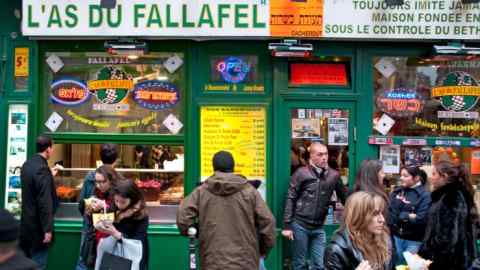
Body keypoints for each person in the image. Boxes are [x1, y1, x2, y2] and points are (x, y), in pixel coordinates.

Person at [177, 150, 276, 270]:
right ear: (233, 167)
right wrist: (263, 250)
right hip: (245, 261)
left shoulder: (201, 191)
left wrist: (198, 231)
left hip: (212, 260)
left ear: (214, 168)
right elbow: (268, 222)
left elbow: (183, 219)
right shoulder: (250, 192)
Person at [282, 142, 347, 270]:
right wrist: (287, 225)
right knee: (299, 264)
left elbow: (346, 199)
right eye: (320, 154)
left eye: (326, 154)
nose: (324, 157)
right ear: (311, 156)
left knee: (319, 264)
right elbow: (291, 197)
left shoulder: (334, 175)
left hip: (318, 226)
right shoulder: (301, 173)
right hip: (300, 224)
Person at [418, 160, 479, 270]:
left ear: (444, 177)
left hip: (450, 262)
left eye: (434, 174)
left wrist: (429, 256)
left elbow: (447, 237)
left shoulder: (450, 198)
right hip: (458, 260)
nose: (430, 177)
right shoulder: (457, 194)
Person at [76, 143, 119, 270]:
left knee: (83, 262)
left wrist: (88, 210)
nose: (99, 185)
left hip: (90, 230)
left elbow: (81, 205)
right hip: (107, 231)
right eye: (97, 182)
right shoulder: (117, 179)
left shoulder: (90, 176)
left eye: (102, 182)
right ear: (116, 159)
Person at [19, 135, 59, 270]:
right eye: (51, 148)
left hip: (26, 227)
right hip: (38, 229)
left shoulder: (27, 165)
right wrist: (47, 229)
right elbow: (44, 202)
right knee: (38, 265)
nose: (52, 151)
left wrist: (49, 176)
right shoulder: (42, 169)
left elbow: (33, 188)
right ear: (48, 149)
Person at [324, 191, 391, 270]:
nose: (382, 219)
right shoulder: (336, 250)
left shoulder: (383, 240)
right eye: (375, 214)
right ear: (359, 216)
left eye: (382, 213)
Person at [97, 179, 149, 270]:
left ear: (133, 199)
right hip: (113, 253)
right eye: (116, 200)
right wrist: (99, 218)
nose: (119, 205)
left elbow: (138, 242)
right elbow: (107, 219)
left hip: (132, 256)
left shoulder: (141, 215)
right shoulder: (114, 206)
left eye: (123, 202)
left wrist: (115, 233)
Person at [387, 166, 431, 266]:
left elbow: (422, 218)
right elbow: (390, 211)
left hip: (413, 240)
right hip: (395, 237)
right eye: (401, 175)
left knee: (409, 266)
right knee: (396, 266)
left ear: (416, 178)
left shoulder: (425, 195)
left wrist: (403, 215)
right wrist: (410, 215)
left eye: (405, 176)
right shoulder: (397, 191)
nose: (401, 178)